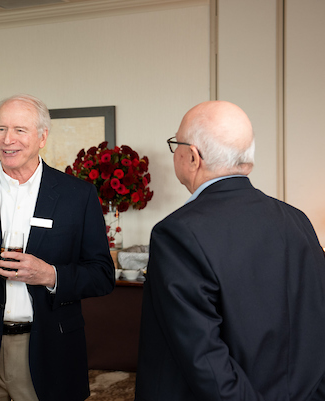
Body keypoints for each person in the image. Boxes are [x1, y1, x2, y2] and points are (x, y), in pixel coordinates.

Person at [135, 100, 325, 400]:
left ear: (193, 157)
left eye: (177, 144)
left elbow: (204, 360)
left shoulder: (177, 233)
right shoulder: (296, 219)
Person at [0, 94, 115, 401]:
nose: (8, 139)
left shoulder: (78, 196)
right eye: (0, 128)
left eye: (20, 130)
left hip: (47, 346)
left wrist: (50, 275)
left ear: (42, 137)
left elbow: (101, 275)